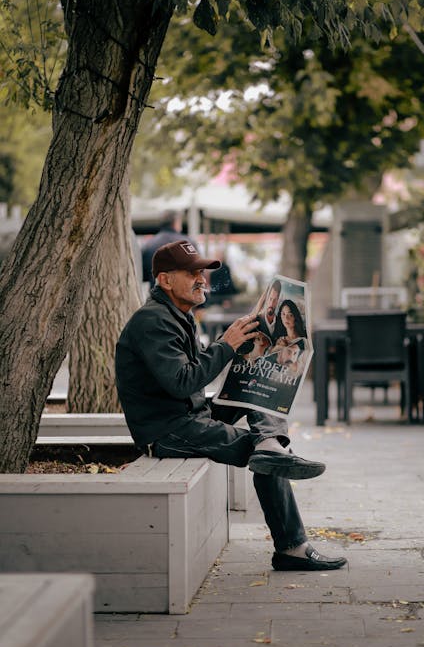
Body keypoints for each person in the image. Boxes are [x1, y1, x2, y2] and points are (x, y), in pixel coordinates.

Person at [115, 240, 347, 572]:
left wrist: (246, 353)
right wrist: (226, 345)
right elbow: (181, 381)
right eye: (192, 273)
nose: (201, 279)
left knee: (259, 390)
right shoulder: (152, 321)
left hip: (189, 414)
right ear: (165, 281)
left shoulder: (177, 315)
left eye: (202, 272)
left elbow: (189, 381)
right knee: (265, 457)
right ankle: (292, 546)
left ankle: (271, 442)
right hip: (167, 431)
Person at [141, 210, 194, 287]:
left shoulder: (148, 245)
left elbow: (144, 275)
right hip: (184, 293)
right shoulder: (188, 243)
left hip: (157, 293)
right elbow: (198, 270)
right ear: (176, 223)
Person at [256, 279, 282, 343]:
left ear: (278, 300)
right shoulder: (256, 320)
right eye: (270, 299)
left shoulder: (282, 322)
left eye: (275, 300)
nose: (271, 303)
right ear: (266, 298)